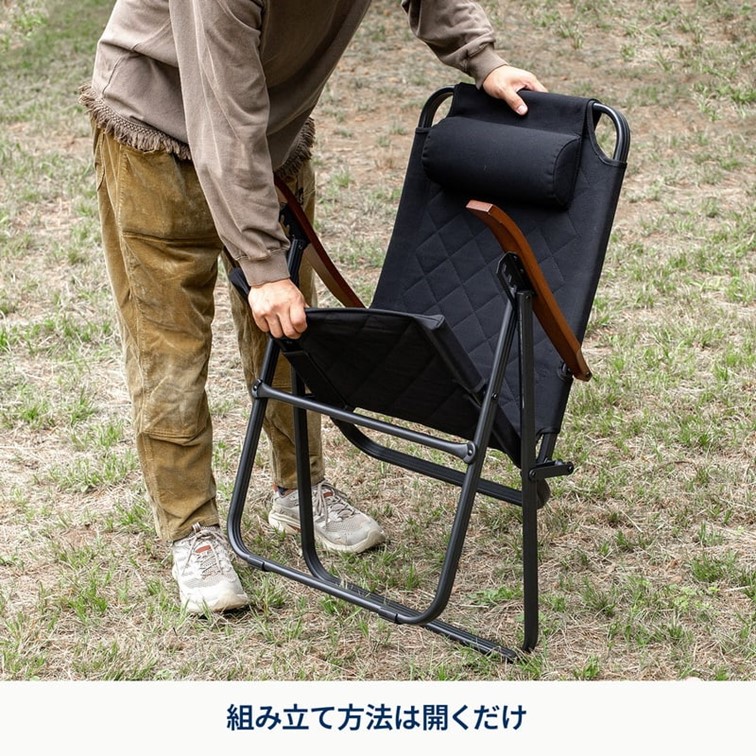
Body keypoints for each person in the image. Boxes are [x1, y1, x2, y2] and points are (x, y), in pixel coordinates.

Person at [80, 0, 546, 615]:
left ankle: (299, 489)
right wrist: (262, 265)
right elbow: (223, 120)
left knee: (292, 331)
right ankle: (193, 529)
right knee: (170, 348)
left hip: (269, 138)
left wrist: (484, 60)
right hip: (157, 132)